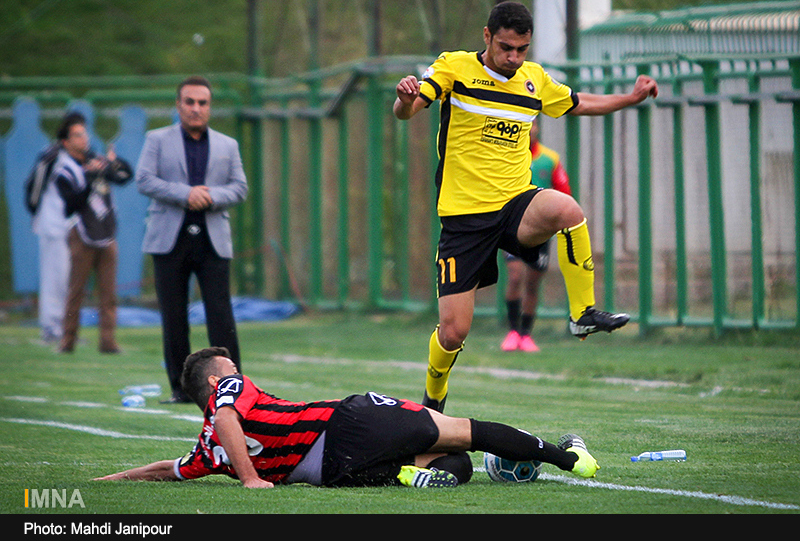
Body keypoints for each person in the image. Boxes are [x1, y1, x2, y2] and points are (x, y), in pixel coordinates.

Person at [393, 1, 658, 412]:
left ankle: (582, 314)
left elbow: (579, 103)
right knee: (453, 333)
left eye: (522, 49)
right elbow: (407, 111)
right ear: (487, 37)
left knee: (567, 210)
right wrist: (403, 99)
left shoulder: (533, 79)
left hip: (515, 202)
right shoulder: (454, 67)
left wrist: (630, 97)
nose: (514, 58)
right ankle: (433, 398)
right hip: (464, 218)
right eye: (505, 48)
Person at [94, 347, 599, 488]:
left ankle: (403, 474)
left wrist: (111, 480)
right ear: (213, 380)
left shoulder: (205, 452)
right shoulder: (228, 391)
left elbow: (166, 469)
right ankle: (569, 458)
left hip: (335, 472)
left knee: (456, 465)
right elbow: (227, 417)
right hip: (347, 422)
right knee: (467, 432)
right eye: (230, 369)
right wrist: (249, 479)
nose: (238, 373)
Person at [136, 75, 248, 403]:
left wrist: (210, 196)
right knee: (174, 316)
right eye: (189, 102)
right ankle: (181, 389)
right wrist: (185, 194)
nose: (196, 108)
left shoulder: (227, 145)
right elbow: (144, 179)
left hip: (213, 239)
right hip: (169, 240)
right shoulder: (157, 139)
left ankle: (233, 386)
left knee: (221, 316)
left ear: (209, 107)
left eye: (202, 103)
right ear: (178, 105)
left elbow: (240, 187)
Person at [54, 114, 132, 354]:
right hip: (81, 235)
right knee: (76, 291)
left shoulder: (96, 161)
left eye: (84, 133)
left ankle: (108, 342)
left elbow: (125, 176)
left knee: (108, 293)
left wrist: (114, 163)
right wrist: (90, 178)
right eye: (77, 135)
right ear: (66, 142)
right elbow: (70, 205)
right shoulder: (64, 170)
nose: (84, 139)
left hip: (106, 233)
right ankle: (67, 341)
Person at [501, 118, 571, 353]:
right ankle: (512, 331)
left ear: (537, 128)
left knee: (532, 282)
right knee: (515, 276)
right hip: (513, 229)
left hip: (540, 232)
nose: (530, 129)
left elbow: (564, 192)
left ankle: (525, 334)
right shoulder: (508, 157)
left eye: (533, 124)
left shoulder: (550, 159)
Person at [29, 116, 74, 344]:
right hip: (52, 226)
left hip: (68, 227)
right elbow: (34, 186)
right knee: (53, 279)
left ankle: (64, 329)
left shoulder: (76, 158)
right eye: (78, 134)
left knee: (66, 279)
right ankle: (50, 327)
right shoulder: (52, 156)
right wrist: (37, 212)